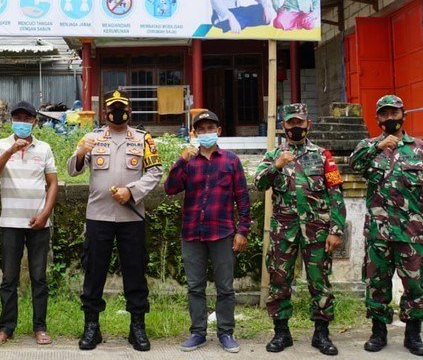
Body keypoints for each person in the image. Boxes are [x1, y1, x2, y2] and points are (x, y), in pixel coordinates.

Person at [349, 95, 423, 356]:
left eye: (394, 113)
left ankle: (413, 334)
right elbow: (354, 163)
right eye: (384, 114)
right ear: (378, 119)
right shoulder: (368, 146)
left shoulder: (421, 148)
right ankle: (378, 332)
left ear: (404, 115)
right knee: (377, 284)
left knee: (414, 285)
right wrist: (379, 147)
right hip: (378, 233)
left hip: (411, 233)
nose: (390, 118)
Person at [67, 90, 163, 352]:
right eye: (113, 108)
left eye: (122, 108)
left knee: (135, 272)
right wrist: (79, 152)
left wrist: (132, 191)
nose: (117, 112)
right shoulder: (92, 138)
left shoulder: (143, 139)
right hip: (99, 217)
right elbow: (73, 170)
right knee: (94, 272)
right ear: (105, 113)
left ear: (129, 112)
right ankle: (91, 327)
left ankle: (137, 327)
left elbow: (155, 171)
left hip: (131, 217)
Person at [253, 103, 346, 355]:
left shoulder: (323, 155)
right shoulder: (274, 154)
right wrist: (277, 165)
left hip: (317, 231)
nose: (296, 127)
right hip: (284, 230)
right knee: (279, 280)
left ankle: (321, 333)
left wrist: (336, 229)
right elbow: (259, 183)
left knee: (320, 282)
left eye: (300, 122)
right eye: (291, 123)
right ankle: (281, 333)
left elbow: (336, 194)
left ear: (308, 124)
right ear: (283, 126)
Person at [163, 110, 251, 353]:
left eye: (210, 128)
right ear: (194, 133)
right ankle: (198, 333)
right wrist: (180, 160)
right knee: (195, 287)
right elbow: (170, 189)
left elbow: (242, 198)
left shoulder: (231, 160)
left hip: (222, 232)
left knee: (225, 287)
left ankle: (226, 333)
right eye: (200, 130)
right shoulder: (189, 160)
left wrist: (242, 230)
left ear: (219, 131)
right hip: (192, 233)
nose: (205, 133)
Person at [0, 101, 59, 346]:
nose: (22, 123)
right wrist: (10, 151)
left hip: (39, 223)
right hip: (10, 222)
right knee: (9, 278)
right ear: (11, 121)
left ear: (35, 122)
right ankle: (6, 328)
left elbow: (53, 184)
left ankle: (40, 327)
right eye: (18, 118)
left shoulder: (45, 148)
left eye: (27, 119)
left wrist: (45, 214)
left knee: (39, 278)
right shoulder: (0, 145)